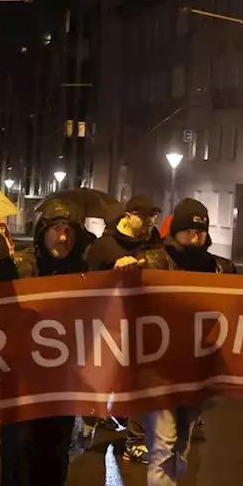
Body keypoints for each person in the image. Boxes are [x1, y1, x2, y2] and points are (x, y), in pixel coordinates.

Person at [136, 198, 236, 486]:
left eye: (201, 230)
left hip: (195, 375)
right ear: (175, 231)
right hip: (158, 374)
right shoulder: (153, 262)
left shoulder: (219, 269)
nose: (196, 237)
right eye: (189, 230)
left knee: (179, 452)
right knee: (162, 447)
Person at [0, 200, 90, 486]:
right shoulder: (18, 266)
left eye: (68, 231)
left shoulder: (83, 271)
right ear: (42, 232)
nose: (62, 237)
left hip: (62, 380)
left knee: (55, 450)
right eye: (56, 230)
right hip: (20, 378)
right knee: (18, 448)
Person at [84, 193, 162, 464]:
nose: (150, 222)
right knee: (102, 378)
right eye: (144, 217)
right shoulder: (105, 246)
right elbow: (89, 283)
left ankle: (135, 441)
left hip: (141, 324)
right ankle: (90, 416)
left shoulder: (153, 243)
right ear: (128, 216)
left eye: (153, 217)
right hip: (107, 325)